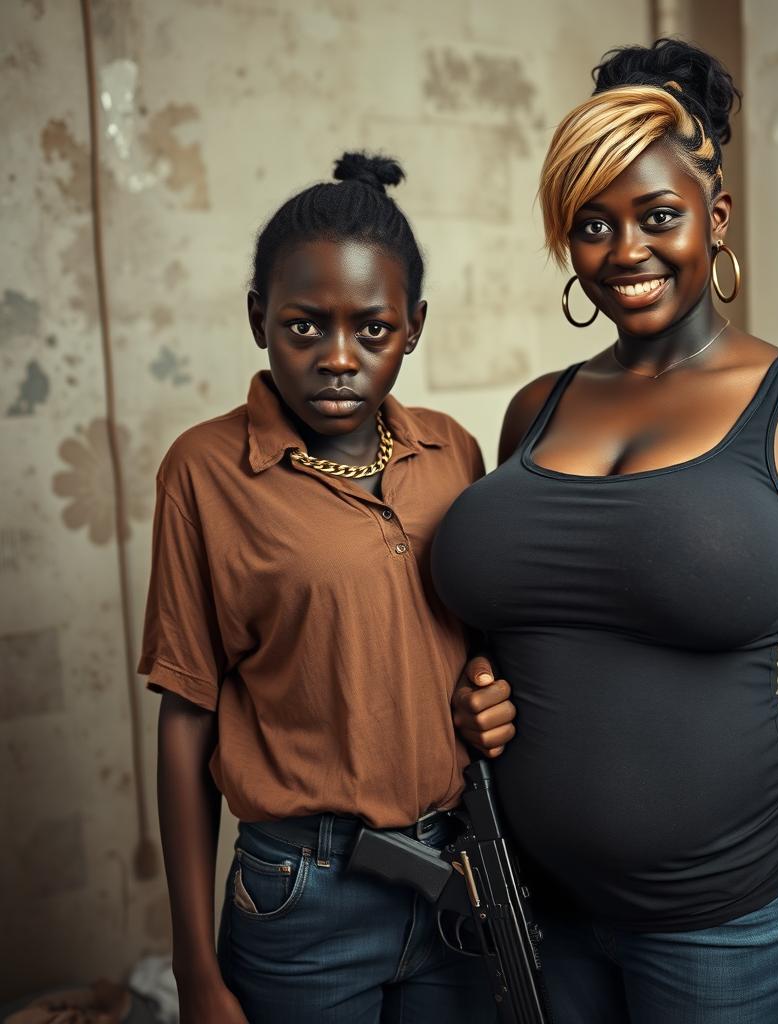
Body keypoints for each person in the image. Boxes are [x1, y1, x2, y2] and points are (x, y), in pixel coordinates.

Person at [433, 39, 778, 1024]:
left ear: (713, 218)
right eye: (592, 224)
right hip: (537, 906)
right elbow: (518, 620)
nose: (625, 251)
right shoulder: (536, 409)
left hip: (719, 927)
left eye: (657, 217)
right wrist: (475, 686)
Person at [139, 152, 496, 1024]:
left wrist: (488, 694)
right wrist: (194, 964)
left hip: (459, 873)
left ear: (413, 327)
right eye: (305, 327)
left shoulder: (454, 452)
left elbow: (475, 637)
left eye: (371, 330)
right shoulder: (205, 471)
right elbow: (188, 715)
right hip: (305, 891)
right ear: (260, 318)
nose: (340, 358)